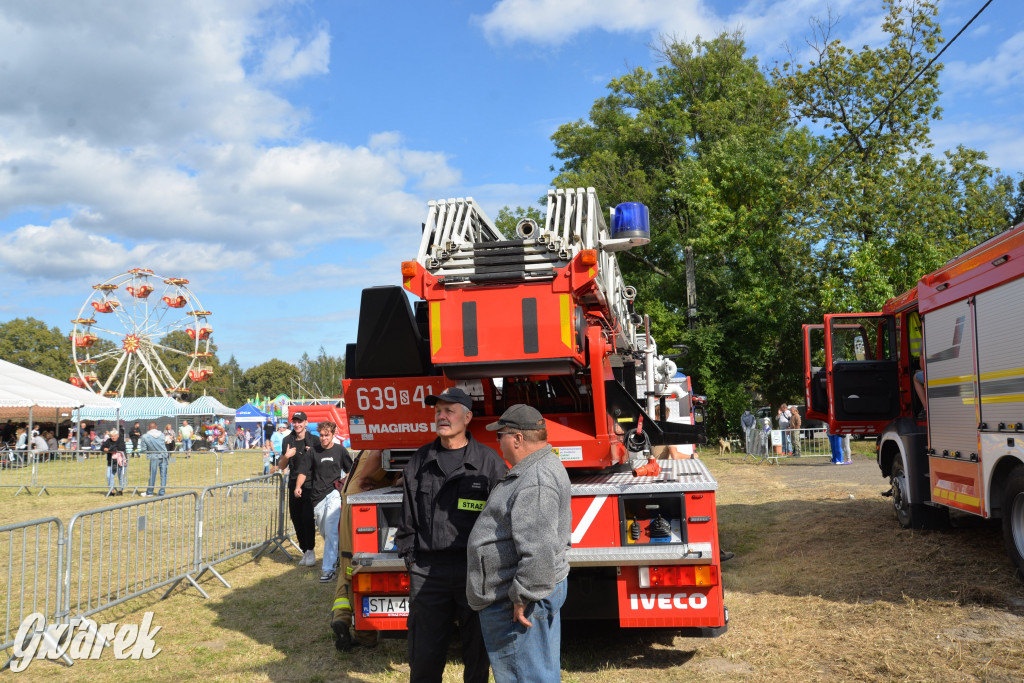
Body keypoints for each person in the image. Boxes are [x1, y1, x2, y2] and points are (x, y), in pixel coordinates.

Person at [394, 387, 508, 683]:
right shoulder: (420, 461)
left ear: (467, 417)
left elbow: (503, 518)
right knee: (424, 656)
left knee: (477, 653)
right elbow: (407, 517)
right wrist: (412, 559)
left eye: (449, 411)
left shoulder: (488, 463)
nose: (441, 417)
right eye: (438, 411)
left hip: (475, 571)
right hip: (429, 572)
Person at [466, 404, 571, 683]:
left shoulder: (535, 479)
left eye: (500, 435)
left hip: (515, 599)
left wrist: (523, 596)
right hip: (524, 592)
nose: (497, 441)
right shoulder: (538, 467)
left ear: (518, 438)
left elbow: (538, 548)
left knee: (524, 676)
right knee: (538, 673)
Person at [330, 449, 402, 651]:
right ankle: (365, 635)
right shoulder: (384, 438)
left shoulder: (366, 445)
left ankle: (342, 618)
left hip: (353, 502)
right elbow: (379, 453)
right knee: (356, 568)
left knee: (349, 566)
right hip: (361, 504)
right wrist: (365, 478)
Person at [294, 420, 352, 582]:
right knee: (325, 532)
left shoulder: (340, 451)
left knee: (332, 530)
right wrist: (298, 486)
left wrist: (343, 486)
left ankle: (328, 570)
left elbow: (350, 471)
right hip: (317, 497)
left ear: (333, 435)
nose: (324, 438)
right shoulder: (313, 452)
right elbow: (303, 471)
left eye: (327, 435)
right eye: (321, 435)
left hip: (334, 494)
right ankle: (338, 553)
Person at [274, 411, 319, 567]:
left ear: (306, 423)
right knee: (296, 518)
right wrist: (287, 456)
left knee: (307, 517)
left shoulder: (314, 440)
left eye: (300, 421)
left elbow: (320, 464)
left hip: (310, 484)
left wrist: (311, 453)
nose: (297, 424)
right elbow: (281, 466)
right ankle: (305, 550)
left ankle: (311, 550)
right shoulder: (288, 440)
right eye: (295, 421)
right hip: (293, 483)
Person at [140, 421, 168, 496]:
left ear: (148, 428)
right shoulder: (162, 435)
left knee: (152, 474)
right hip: (164, 456)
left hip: (153, 456)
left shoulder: (145, 436)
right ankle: (162, 492)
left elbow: (143, 449)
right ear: (156, 427)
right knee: (163, 475)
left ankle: (150, 492)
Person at [101, 428, 128, 495]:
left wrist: (109, 449)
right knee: (109, 476)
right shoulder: (108, 440)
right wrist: (106, 448)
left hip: (120, 461)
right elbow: (102, 447)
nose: (113, 437)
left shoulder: (121, 440)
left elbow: (120, 448)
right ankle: (111, 490)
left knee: (120, 476)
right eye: (111, 436)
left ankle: (121, 490)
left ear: (117, 435)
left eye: (114, 436)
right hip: (111, 461)